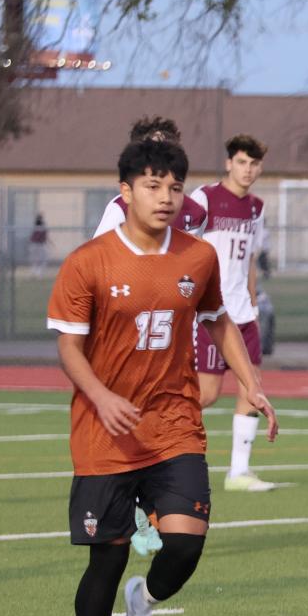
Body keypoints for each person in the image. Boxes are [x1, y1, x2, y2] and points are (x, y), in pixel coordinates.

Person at [46, 130, 276, 616]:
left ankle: (143, 602)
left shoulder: (198, 257)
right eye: (153, 186)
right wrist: (101, 397)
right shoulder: (88, 262)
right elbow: (70, 349)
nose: (167, 197)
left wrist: (252, 384)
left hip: (174, 421)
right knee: (110, 551)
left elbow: (219, 320)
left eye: (174, 186)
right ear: (126, 192)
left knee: (186, 546)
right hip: (106, 431)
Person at [93, 117, 209, 555]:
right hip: (126, 337)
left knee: (174, 417)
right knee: (132, 422)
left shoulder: (193, 212)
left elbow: (194, 270)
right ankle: (140, 508)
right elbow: (99, 267)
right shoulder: (117, 209)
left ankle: (161, 509)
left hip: (174, 336)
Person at [191, 133, 277, 492]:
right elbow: (185, 246)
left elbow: (252, 260)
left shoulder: (256, 208)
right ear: (229, 163)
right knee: (206, 394)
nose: (248, 169)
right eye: (242, 162)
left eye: (254, 164)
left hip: (243, 314)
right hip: (211, 315)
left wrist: (255, 306)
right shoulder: (205, 198)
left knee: (251, 389)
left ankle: (238, 472)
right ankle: (160, 443)